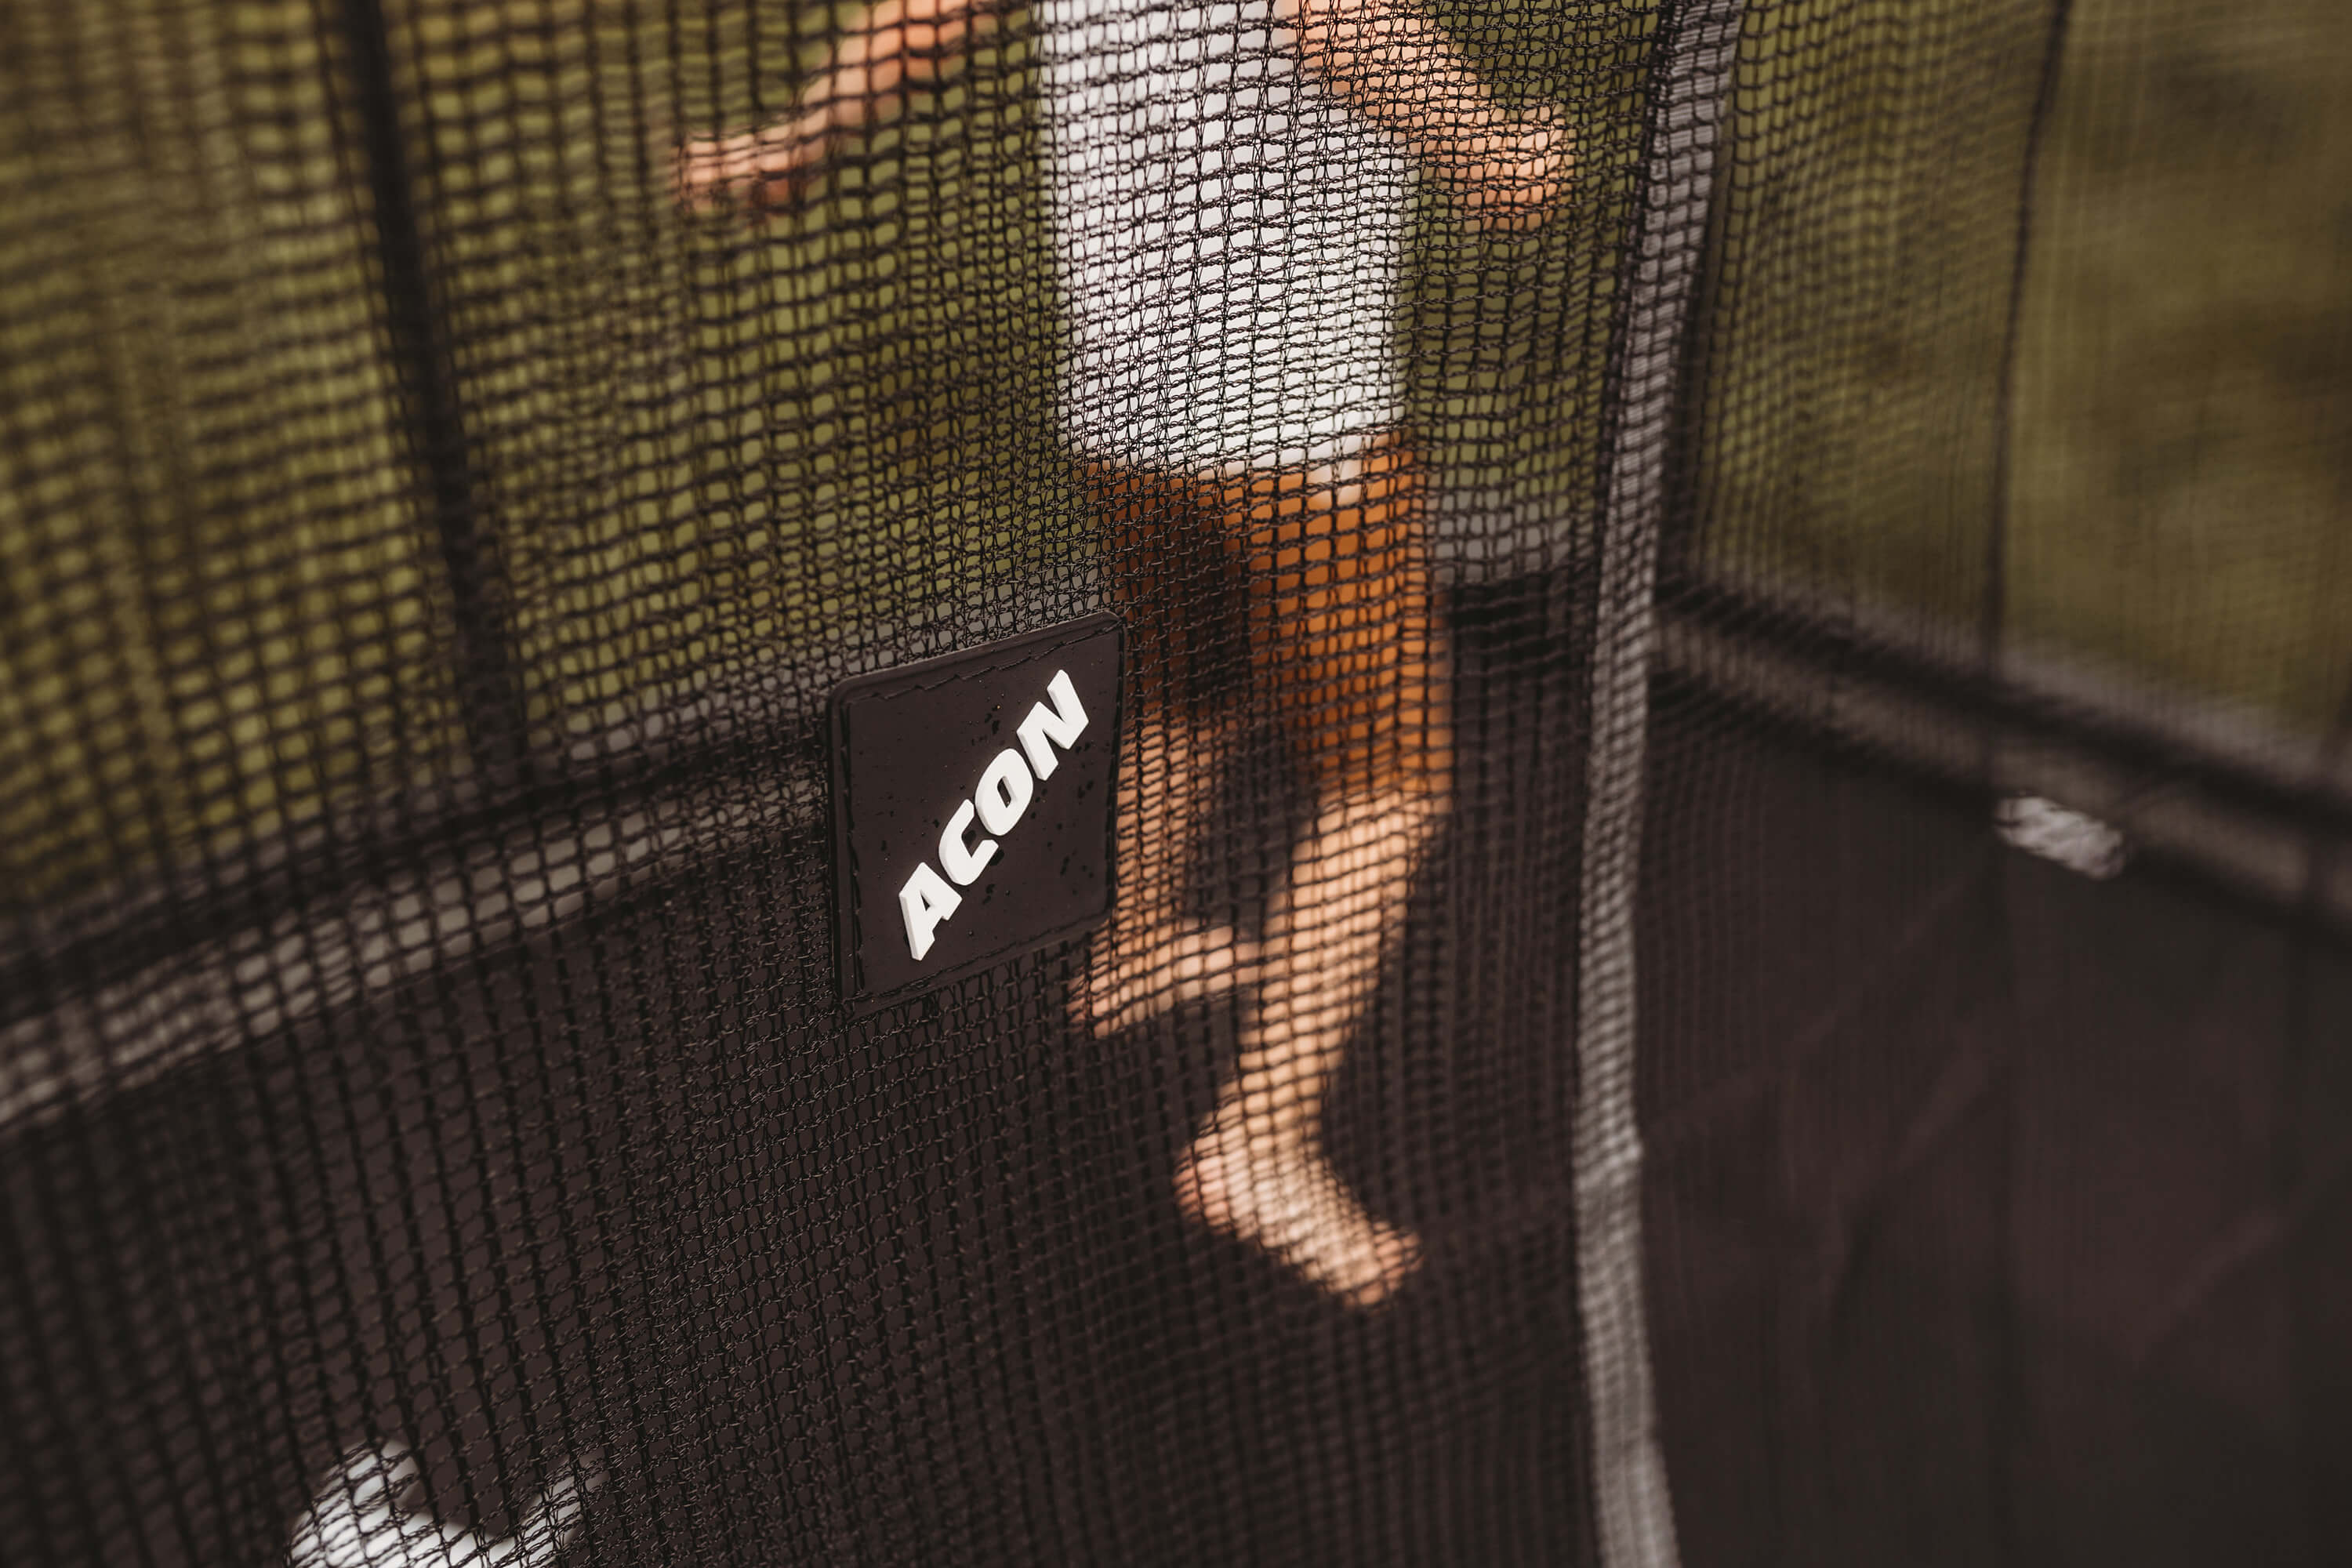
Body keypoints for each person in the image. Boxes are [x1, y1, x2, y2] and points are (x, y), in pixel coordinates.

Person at [677, 0, 1570, 1307]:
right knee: (1391, 784)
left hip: (1130, 404)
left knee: (1196, 686)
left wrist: (798, 141)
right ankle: (1257, 1142)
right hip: (1299, 419)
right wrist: (1498, 157)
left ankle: (1135, 949)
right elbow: (1333, 16)